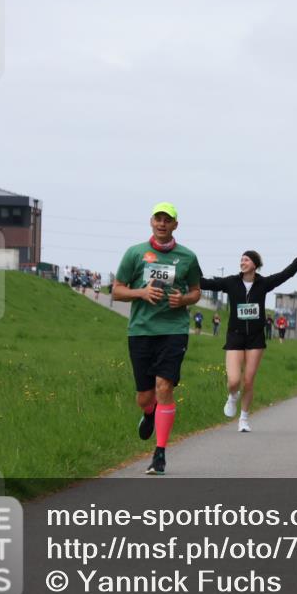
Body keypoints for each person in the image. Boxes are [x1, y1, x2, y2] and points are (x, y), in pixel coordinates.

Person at [112, 202, 201, 475]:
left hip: (173, 330)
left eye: (168, 220)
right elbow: (116, 290)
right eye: (158, 219)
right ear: (151, 222)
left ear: (175, 225)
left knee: (164, 387)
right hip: (141, 330)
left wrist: (182, 299)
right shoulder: (135, 253)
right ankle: (149, 414)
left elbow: (196, 291)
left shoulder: (187, 257)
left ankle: (159, 454)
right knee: (144, 396)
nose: (162, 223)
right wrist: (141, 293)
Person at [201, 250, 297, 432]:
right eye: (241, 260)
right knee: (234, 381)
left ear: (255, 264)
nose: (242, 262)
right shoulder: (231, 282)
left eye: (246, 260)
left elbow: (287, 274)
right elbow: (207, 283)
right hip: (235, 335)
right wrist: (188, 271)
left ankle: (244, 418)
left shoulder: (263, 283)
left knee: (248, 381)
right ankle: (233, 396)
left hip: (256, 337)